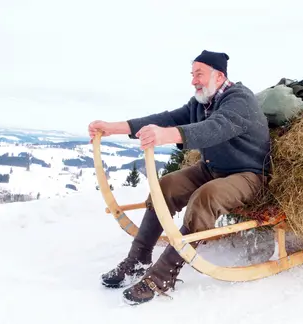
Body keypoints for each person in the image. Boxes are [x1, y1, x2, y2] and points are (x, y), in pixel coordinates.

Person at [88, 50, 271, 305]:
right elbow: (167, 119)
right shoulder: (199, 103)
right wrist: (113, 127)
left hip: (249, 174)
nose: (194, 80)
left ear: (218, 76)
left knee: (205, 197)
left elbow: (214, 128)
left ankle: (163, 276)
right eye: (192, 74)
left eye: (199, 74)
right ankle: (138, 259)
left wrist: (168, 135)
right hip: (212, 169)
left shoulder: (240, 99)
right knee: (165, 186)